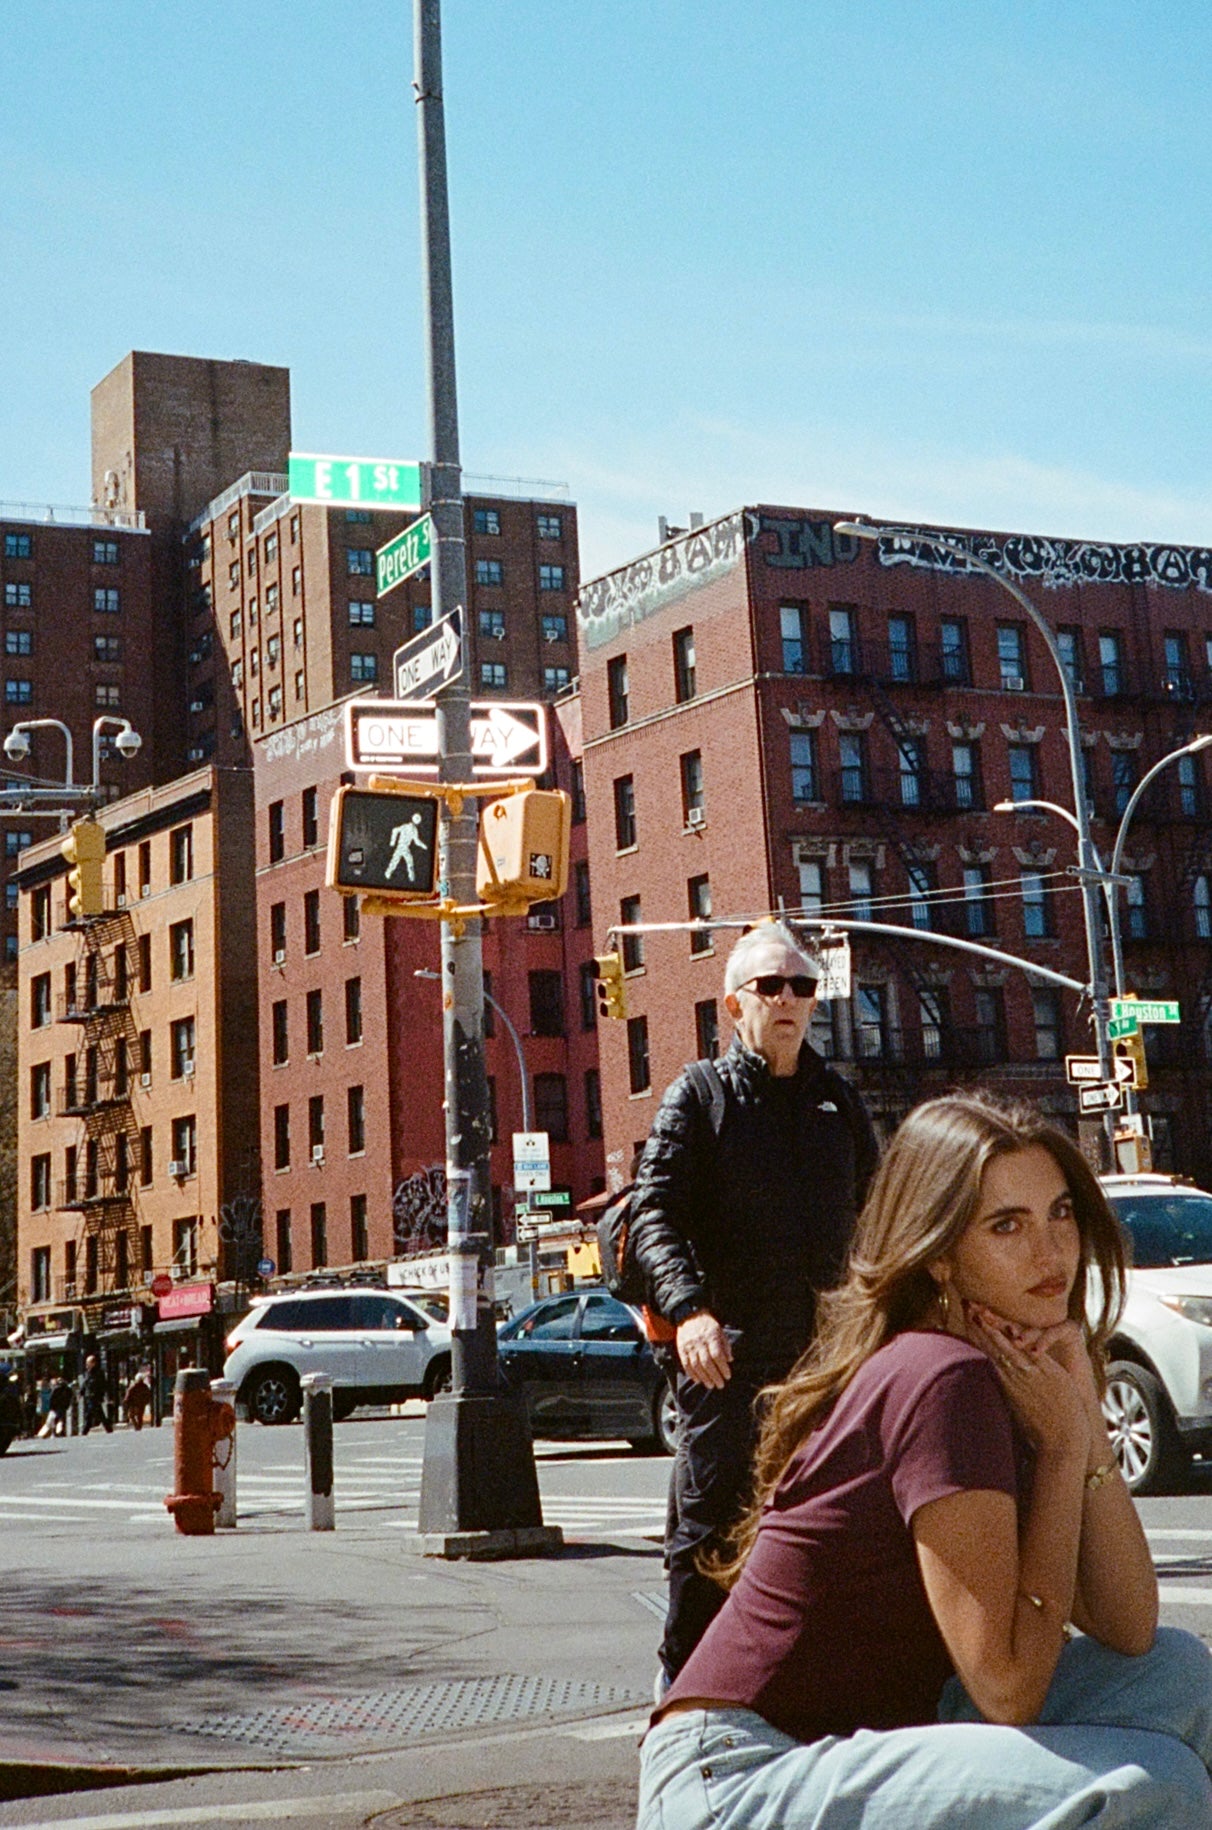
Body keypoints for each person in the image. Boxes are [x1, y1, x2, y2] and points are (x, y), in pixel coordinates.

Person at [637, 1092, 1212, 1829]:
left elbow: (1129, 1628)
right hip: (740, 1773)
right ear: (939, 1256)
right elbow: (1007, 1688)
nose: (1051, 1254)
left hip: (877, 1728)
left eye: (1060, 1214)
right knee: (1155, 1785)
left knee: (1179, 1674)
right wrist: (1066, 1449)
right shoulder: (941, 1377)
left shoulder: (1009, 1370)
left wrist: (1082, 1416)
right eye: (1007, 1226)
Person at [629, 921, 878, 1689]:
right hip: (725, 1366)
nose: (788, 1000)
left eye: (801, 986)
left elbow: (881, 1219)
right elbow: (651, 1214)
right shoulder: (698, 1097)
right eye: (770, 986)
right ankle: (688, 1701)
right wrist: (691, 1309)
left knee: (828, 1533)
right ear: (734, 1003)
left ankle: (808, 1696)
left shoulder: (838, 1103)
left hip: (825, 1367)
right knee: (709, 1540)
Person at [80, 1354, 113, 1435]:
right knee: (97, 1414)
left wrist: (104, 1395)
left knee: (91, 1414)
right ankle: (108, 1429)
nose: (87, 1365)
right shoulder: (87, 1373)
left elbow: (103, 1385)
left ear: (93, 1363)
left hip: (95, 1396)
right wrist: (81, 1392)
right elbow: (85, 1384)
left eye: (88, 1363)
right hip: (89, 1397)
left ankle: (84, 1431)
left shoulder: (98, 1373)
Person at [123, 1365, 152, 1431]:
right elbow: (148, 1394)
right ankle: (138, 1426)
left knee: (132, 1415)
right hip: (141, 1403)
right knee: (139, 1416)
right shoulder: (144, 1386)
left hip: (134, 1403)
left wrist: (126, 1400)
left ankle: (137, 1426)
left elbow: (128, 1393)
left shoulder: (134, 1386)